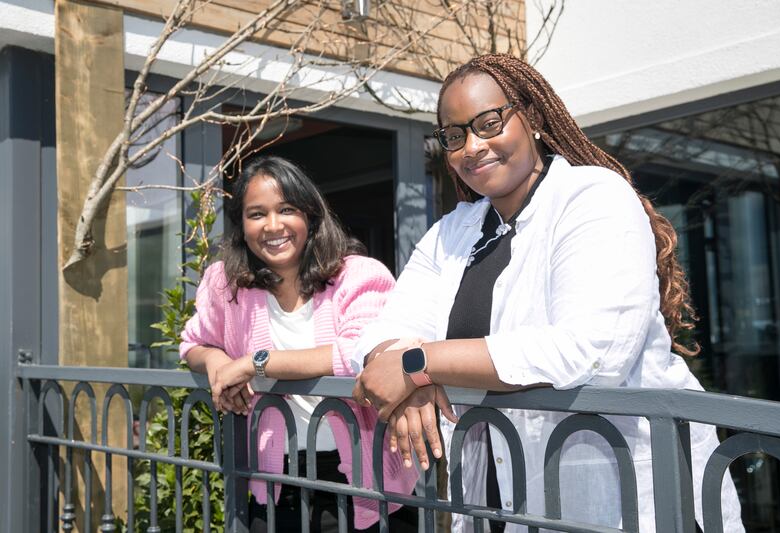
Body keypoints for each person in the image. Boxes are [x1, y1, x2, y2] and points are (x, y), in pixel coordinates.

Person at [352, 54, 743, 532]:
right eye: (454, 135)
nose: (473, 146)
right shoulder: (454, 231)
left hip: (623, 496)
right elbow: (383, 333)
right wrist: (407, 376)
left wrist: (419, 364)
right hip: (498, 495)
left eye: (489, 122)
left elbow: (594, 351)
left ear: (532, 118)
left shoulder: (592, 197)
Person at [180, 155, 417, 532]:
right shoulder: (225, 283)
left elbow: (357, 351)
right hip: (272, 476)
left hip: (363, 473)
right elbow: (194, 343)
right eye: (256, 214)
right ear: (242, 225)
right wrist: (218, 365)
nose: (273, 225)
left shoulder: (358, 274)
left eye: (286, 209)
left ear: (310, 214)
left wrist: (253, 364)